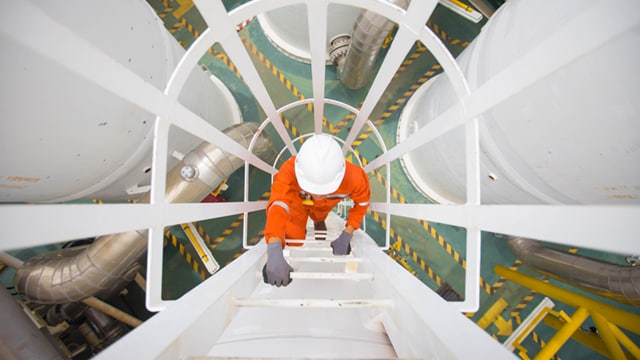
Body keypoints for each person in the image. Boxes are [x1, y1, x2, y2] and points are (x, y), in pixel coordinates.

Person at [262, 134, 370, 287]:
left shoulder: (355, 177)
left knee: (320, 215)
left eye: (325, 190)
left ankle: (318, 221)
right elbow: (278, 205)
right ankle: (308, 227)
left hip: (324, 208)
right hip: (298, 204)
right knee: (294, 239)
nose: (318, 195)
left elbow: (362, 204)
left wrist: (348, 233)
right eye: (313, 188)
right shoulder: (289, 170)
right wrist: (274, 246)